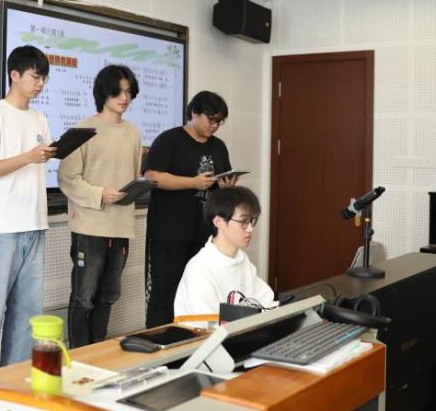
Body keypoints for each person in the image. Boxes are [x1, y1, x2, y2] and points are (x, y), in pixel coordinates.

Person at [0, 46, 57, 374]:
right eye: (35, 76)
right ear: (14, 75)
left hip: (34, 223)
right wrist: (28, 157)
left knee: (27, 316)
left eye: (44, 78)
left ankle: (13, 383)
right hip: (0, 227)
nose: (40, 84)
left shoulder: (40, 118)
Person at [57, 65, 142, 348]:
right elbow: (67, 178)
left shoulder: (133, 133)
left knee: (109, 294)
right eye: (118, 91)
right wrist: (100, 194)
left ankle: (97, 349)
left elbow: (132, 176)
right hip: (89, 226)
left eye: (129, 92)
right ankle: (79, 354)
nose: (124, 98)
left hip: (121, 226)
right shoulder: (84, 130)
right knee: (84, 296)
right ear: (103, 93)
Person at [142, 91, 236, 328]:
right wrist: (192, 182)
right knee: (165, 290)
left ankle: (192, 339)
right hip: (169, 231)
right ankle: (158, 338)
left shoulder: (218, 146)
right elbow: (152, 176)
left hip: (204, 231)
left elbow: (221, 178)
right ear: (194, 112)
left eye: (219, 121)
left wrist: (225, 187)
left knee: (200, 290)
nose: (215, 126)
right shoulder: (169, 140)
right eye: (211, 119)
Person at [174, 186, 274, 317]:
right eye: (244, 221)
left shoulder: (242, 260)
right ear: (218, 222)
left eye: (251, 220)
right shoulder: (199, 268)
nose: (250, 229)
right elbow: (205, 324)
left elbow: (265, 302)